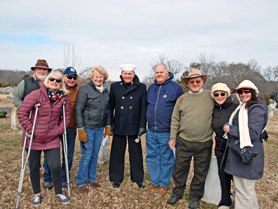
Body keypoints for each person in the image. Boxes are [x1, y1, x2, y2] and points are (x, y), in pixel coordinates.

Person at [17, 70, 71, 206]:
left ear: (61, 84)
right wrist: (32, 130)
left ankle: (59, 192)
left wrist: (58, 131)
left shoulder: (64, 98)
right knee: (34, 166)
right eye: (52, 79)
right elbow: (22, 113)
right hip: (33, 137)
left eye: (58, 81)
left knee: (55, 166)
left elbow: (67, 117)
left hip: (52, 138)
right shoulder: (36, 94)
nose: (55, 82)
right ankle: (37, 194)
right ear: (47, 80)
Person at [167, 68, 214, 209]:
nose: (195, 83)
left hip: (204, 143)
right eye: (192, 81)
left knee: (200, 173)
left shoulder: (211, 97)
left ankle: (194, 197)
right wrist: (172, 137)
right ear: (188, 83)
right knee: (180, 169)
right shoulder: (182, 99)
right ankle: (177, 192)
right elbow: (175, 119)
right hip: (184, 141)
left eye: (197, 81)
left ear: (202, 82)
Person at [222, 80, 268, 209]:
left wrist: (231, 129)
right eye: (240, 92)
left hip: (247, 156)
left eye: (247, 91)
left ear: (253, 92)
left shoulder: (257, 107)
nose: (243, 94)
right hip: (241, 156)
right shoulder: (244, 106)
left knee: (244, 193)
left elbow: (253, 133)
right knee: (246, 192)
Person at [145, 64, 184, 195]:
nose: (159, 74)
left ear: (167, 73)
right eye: (157, 72)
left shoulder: (177, 88)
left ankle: (163, 183)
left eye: (162, 72)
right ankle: (154, 180)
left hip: (167, 131)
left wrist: (178, 130)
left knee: (166, 157)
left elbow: (182, 109)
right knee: (152, 156)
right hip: (151, 130)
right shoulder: (151, 88)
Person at [109, 64, 147, 188]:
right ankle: (116, 178)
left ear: (134, 75)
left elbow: (143, 108)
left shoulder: (141, 87)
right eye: (125, 73)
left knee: (136, 153)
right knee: (117, 152)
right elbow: (110, 108)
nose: (127, 76)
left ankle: (138, 178)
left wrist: (142, 126)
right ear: (121, 74)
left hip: (134, 125)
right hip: (119, 124)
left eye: (130, 74)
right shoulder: (114, 86)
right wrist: (110, 124)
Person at [75, 66, 110, 194]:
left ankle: (92, 178)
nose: (98, 78)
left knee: (95, 155)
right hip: (88, 128)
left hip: (99, 128)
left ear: (104, 78)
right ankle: (81, 182)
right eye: (96, 76)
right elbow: (78, 110)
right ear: (92, 77)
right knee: (87, 155)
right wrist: (81, 129)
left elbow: (107, 110)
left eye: (101, 77)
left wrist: (108, 126)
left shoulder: (105, 91)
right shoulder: (84, 90)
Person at [43, 67, 79, 189]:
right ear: (64, 77)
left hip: (70, 127)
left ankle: (64, 177)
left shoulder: (78, 91)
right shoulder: (55, 87)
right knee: (50, 153)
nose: (72, 79)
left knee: (67, 154)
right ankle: (48, 177)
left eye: (74, 77)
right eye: (69, 77)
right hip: (53, 127)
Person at [211, 83, 238, 209]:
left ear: (227, 94)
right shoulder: (213, 108)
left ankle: (241, 202)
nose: (220, 96)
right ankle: (226, 201)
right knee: (223, 176)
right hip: (220, 148)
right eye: (216, 94)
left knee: (237, 178)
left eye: (222, 93)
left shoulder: (236, 108)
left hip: (234, 149)